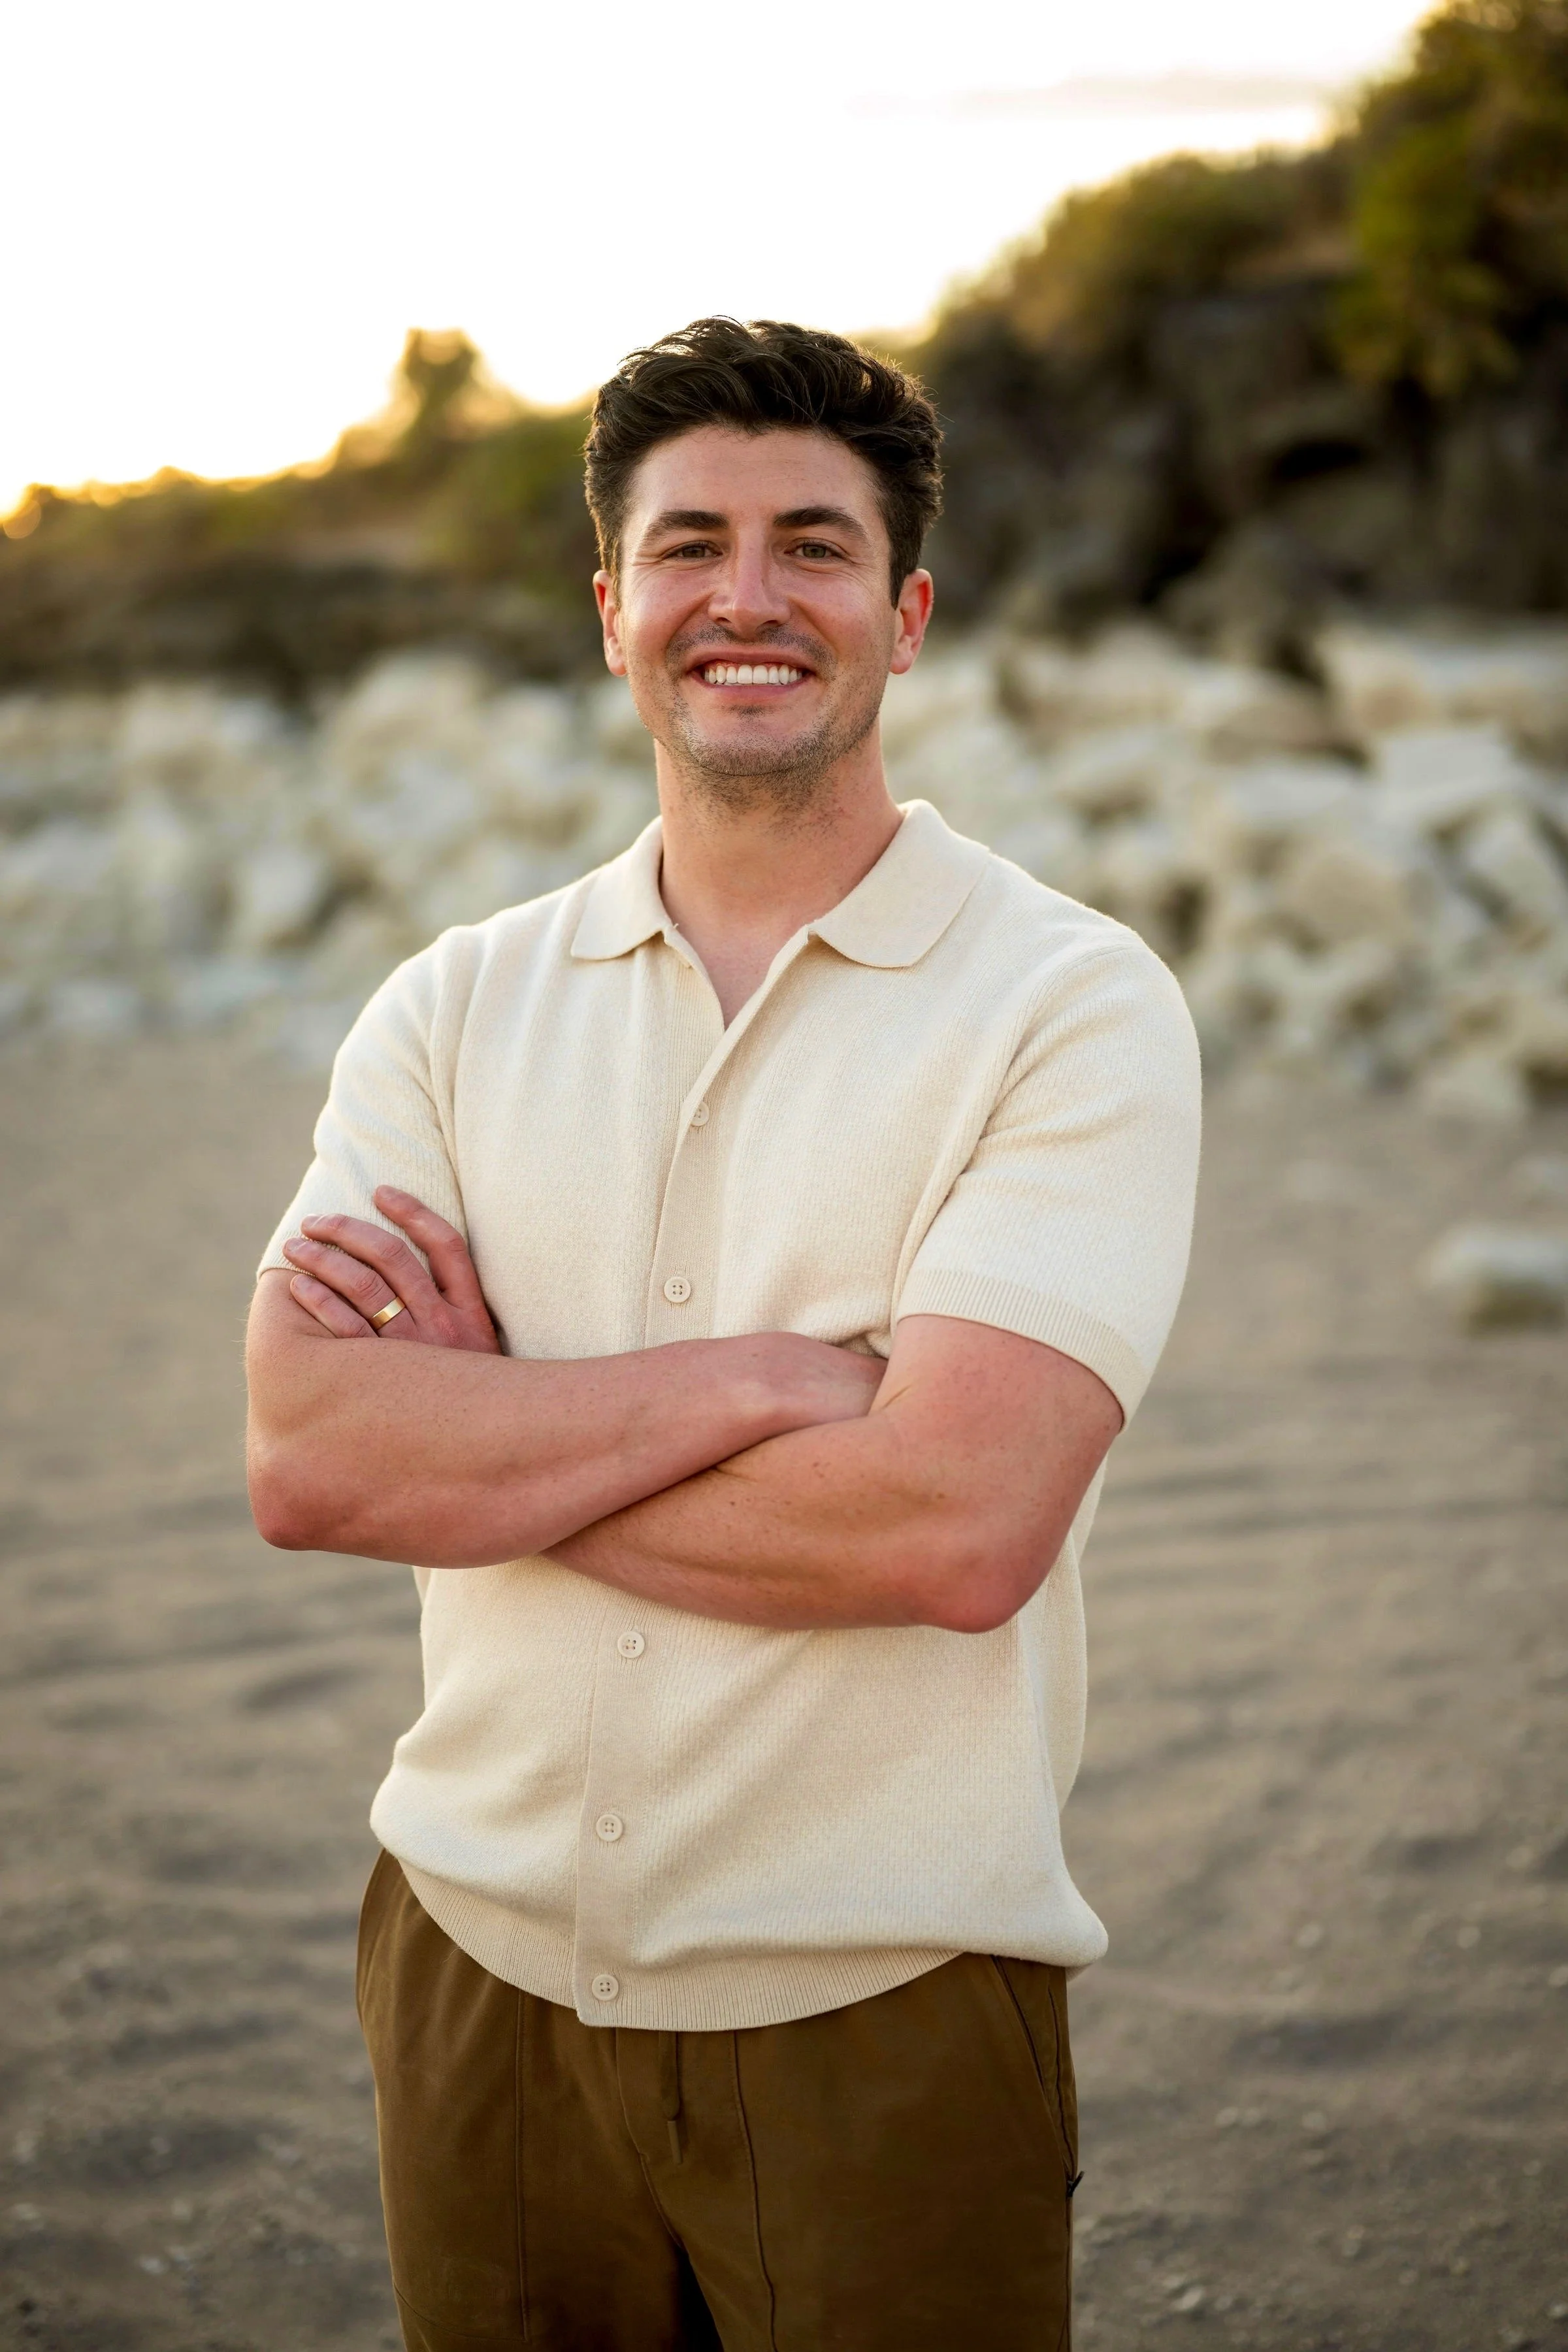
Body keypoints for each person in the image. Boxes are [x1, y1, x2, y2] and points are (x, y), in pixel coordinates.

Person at [245, 316, 1201, 2352]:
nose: (745, 601)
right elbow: (314, 1459)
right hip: (469, 1973)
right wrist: (769, 1391)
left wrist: (487, 1432)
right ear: (612, 611)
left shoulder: (1069, 1006)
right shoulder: (453, 1003)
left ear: (908, 613)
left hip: (881, 2005)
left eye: (813, 547)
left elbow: (948, 1533)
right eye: (689, 548)